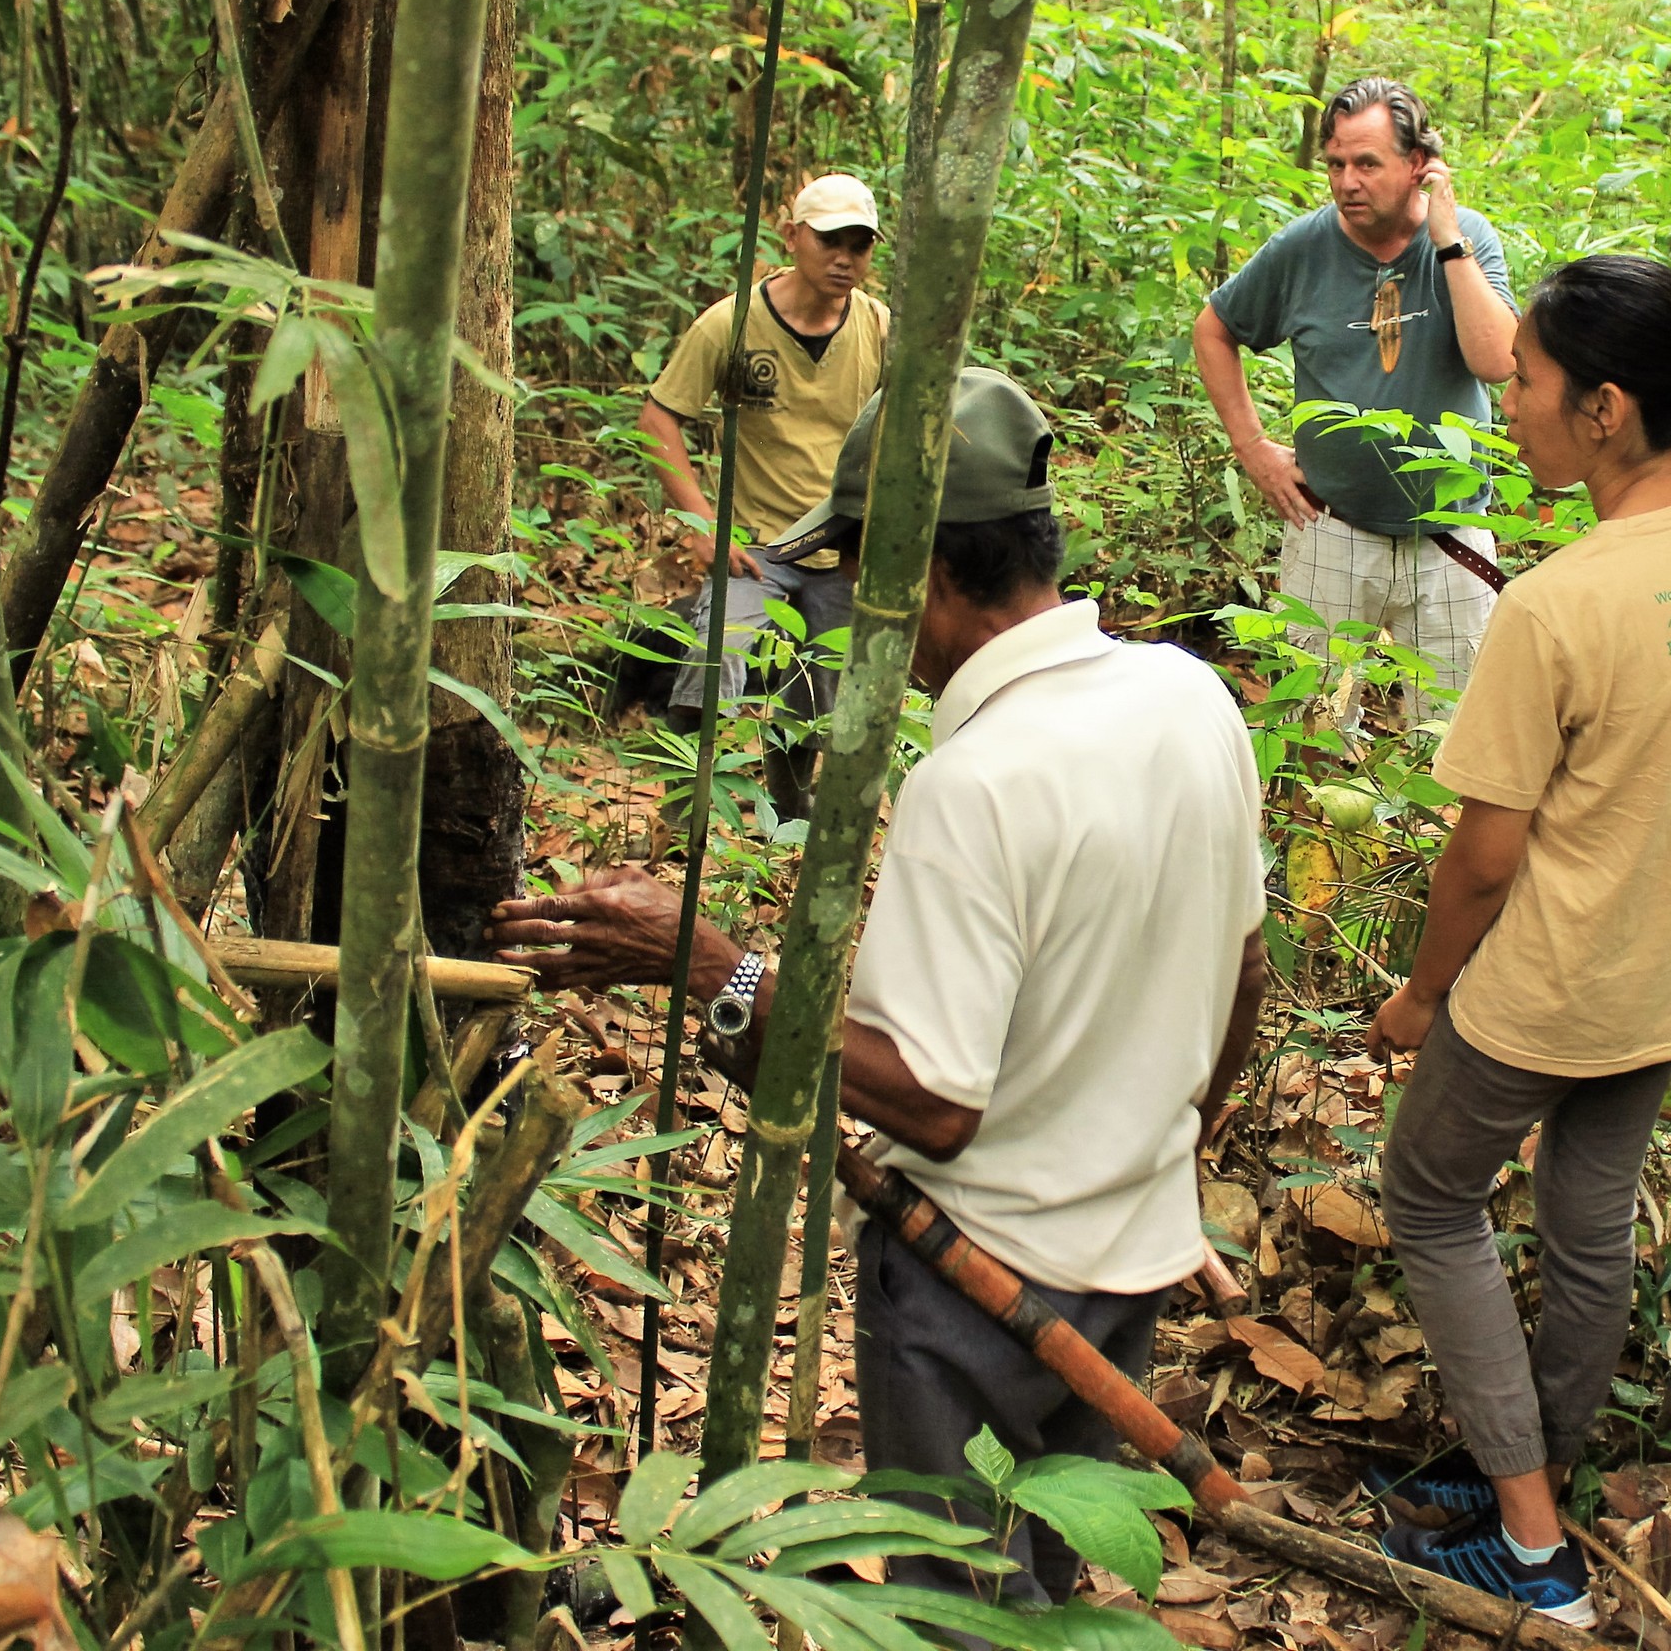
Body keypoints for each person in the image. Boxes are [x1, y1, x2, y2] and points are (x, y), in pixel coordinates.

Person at [494, 369, 1269, 1612]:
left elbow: (934, 1106)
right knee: (1046, 1574)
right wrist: (1172, 1143)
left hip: (978, 1277)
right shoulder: (1188, 695)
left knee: (953, 1605)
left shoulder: (976, 781)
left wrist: (710, 967)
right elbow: (1244, 967)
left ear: (929, 573)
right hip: (1131, 1258)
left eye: (860, 573)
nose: (853, 607)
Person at [1358, 257, 1671, 1624]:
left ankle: (1530, 1547)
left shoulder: (1558, 604)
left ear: (1607, 410)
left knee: (1432, 1197)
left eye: (1525, 383)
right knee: (1586, 1223)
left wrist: (1416, 997)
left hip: (1545, 990)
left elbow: (1486, 858)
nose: (1506, 402)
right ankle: (1545, 1468)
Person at [1194, 77, 1519, 715]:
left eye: (1368, 164)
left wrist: (1448, 242)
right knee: (1311, 724)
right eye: (1336, 165)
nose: (1347, 182)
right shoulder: (1302, 248)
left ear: (1418, 166)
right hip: (1329, 526)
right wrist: (1253, 447)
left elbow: (1499, 360)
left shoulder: (1466, 239)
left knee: (1454, 736)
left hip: (1451, 533)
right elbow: (1215, 328)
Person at [637, 172, 891, 820]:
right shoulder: (732, 324)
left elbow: (904, 432)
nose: (844, 258)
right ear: (793, 237)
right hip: (755, 545)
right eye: (831, 240)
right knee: (716, 652)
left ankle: (791, 819)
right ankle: (680, 813)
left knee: (814, 690)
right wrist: (700, 523)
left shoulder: (878, 328)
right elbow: (659, 418)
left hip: (839, 551)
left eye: (859, 245)